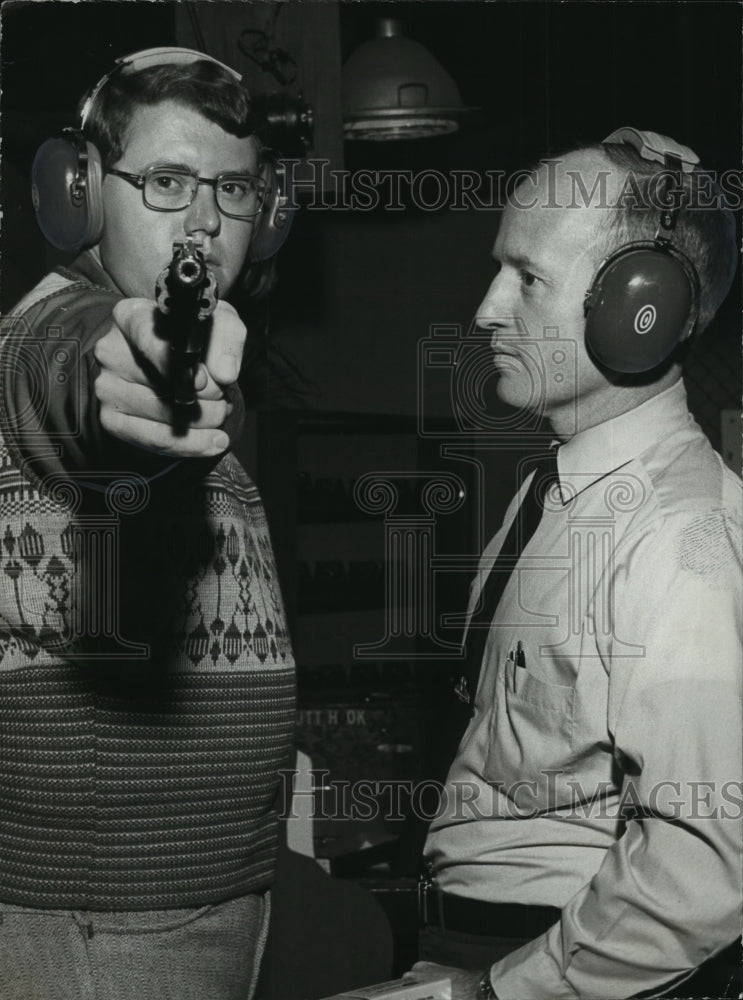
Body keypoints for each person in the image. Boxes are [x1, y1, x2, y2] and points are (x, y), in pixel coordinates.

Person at [407, 130, 742, 999]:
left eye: (527, 278)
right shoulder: (551, 494)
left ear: (642, 306)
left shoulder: (680, 540)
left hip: (546, 970)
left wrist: (492, 992)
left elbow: (706, 865)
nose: (485, 309)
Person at [0, 48, 298, 1000]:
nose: (206, 220)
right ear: (79, 195)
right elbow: (74, 382)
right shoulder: (49, 337)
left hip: (196, 901)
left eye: (235, 189)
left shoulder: (215, 371)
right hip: (103, 918)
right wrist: (135, 399)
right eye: (167, 181)